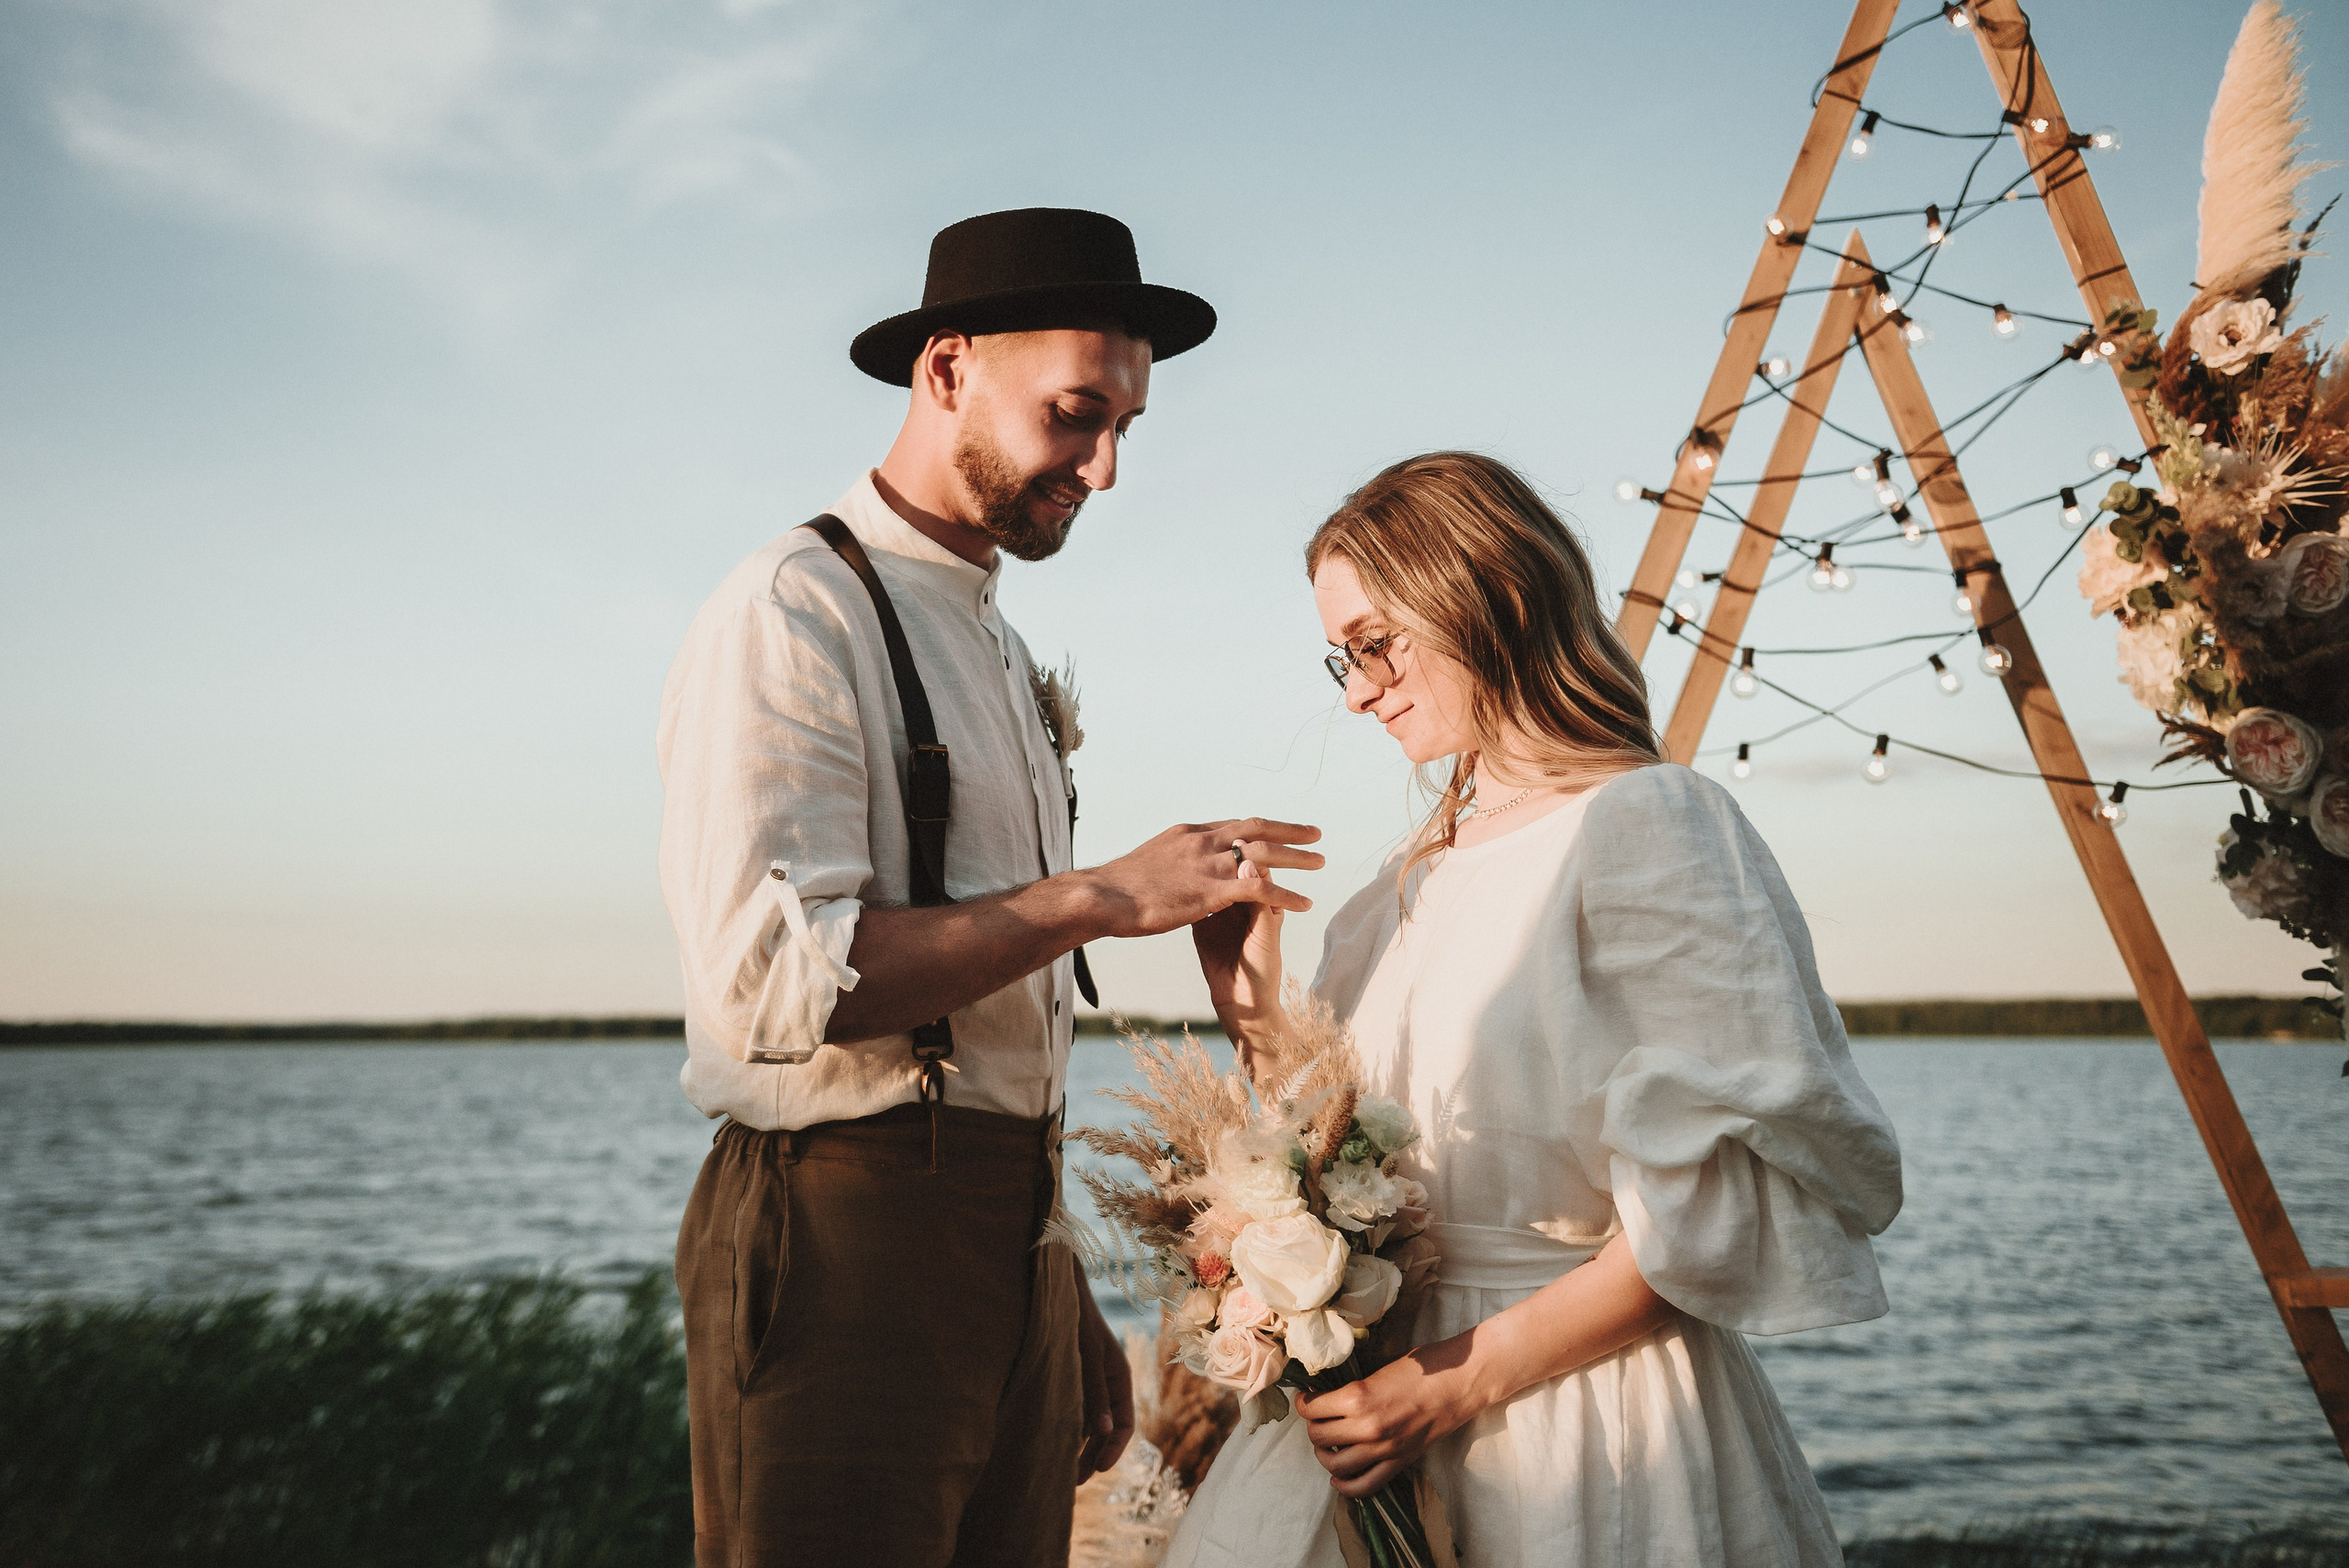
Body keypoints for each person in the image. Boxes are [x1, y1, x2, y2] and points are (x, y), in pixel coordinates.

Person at [657, 206, 1324, 1568]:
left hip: (1010, 1232)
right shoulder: (795, 608)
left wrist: (1055, 1271)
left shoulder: (1001, 643)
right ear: (946, 369)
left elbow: (1002, 1039)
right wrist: (1093, 899)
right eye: (1077, 414)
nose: (1108, 465)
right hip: (839, 1222)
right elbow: (770, 983)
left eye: (1126, 424)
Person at [1170, 451, 1903, 1568]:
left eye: (1375, 642)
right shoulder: (1394, 890)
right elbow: (1336, 1172)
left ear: (1481, 595)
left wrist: (1449, 1385)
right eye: (1342, 659)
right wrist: (1253, 1004)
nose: (1359, 688)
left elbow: (1711, 1212)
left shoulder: (1647, 820)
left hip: (1578, 1438)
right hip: (1368, 1427)